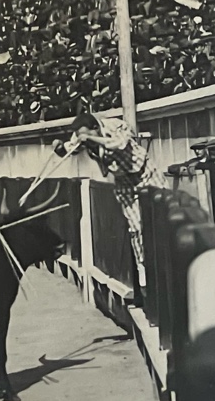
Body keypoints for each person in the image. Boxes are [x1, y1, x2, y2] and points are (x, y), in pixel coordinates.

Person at [60, 111, 164, 294]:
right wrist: (60, 147)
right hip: (124, 181)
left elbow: (120, 143)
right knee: (136, 228)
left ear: (95, 128)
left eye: (88, 134)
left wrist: (90, 139)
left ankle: (167, 266)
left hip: (145, 173)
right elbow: (70, 150)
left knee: (165, 215)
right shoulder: (82, 134)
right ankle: (144, 273)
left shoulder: (115, 125)